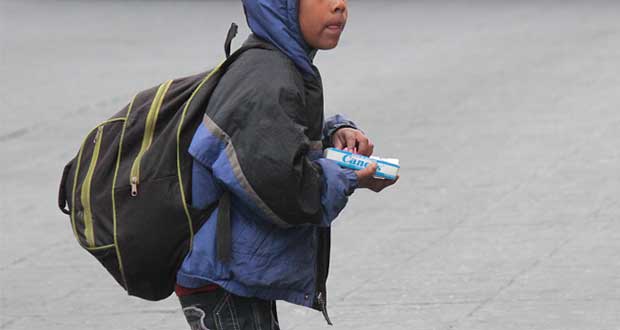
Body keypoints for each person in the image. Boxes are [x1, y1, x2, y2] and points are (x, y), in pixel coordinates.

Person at [175, 0, 397, 329]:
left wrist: (334, 132)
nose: (338, 6)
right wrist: (348, 177)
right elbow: (285, 186)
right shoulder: (267, 75)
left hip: (235, 273)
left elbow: (276, 138)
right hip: (223, 280)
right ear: (282, 7)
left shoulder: (280, 63)